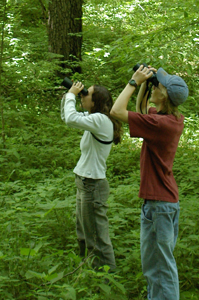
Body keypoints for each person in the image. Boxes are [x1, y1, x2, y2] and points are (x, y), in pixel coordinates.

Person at [110, 65, 189, 300]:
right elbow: (142, 110)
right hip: (163, 204)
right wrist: (147, 83)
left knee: (160, 270)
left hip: (158, 205)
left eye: (158, 84)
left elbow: (116, 110)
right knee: (157, 267)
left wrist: (134, 82)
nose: (155, 85)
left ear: (164, 95)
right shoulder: (170, 119)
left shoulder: (160, 125)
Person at [61, 81, 122, 272]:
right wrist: (69, 95)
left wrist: (72, 93)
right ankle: (86, 269)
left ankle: (106, 276)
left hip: (93, 185)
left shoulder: (101, 120)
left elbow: (70, 119)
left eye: (87, 93)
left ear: (96, 101)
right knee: (84, 231)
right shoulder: (93, 118)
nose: (83, 95)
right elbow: (67, 116)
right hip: (85, 182)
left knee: (96, 235)